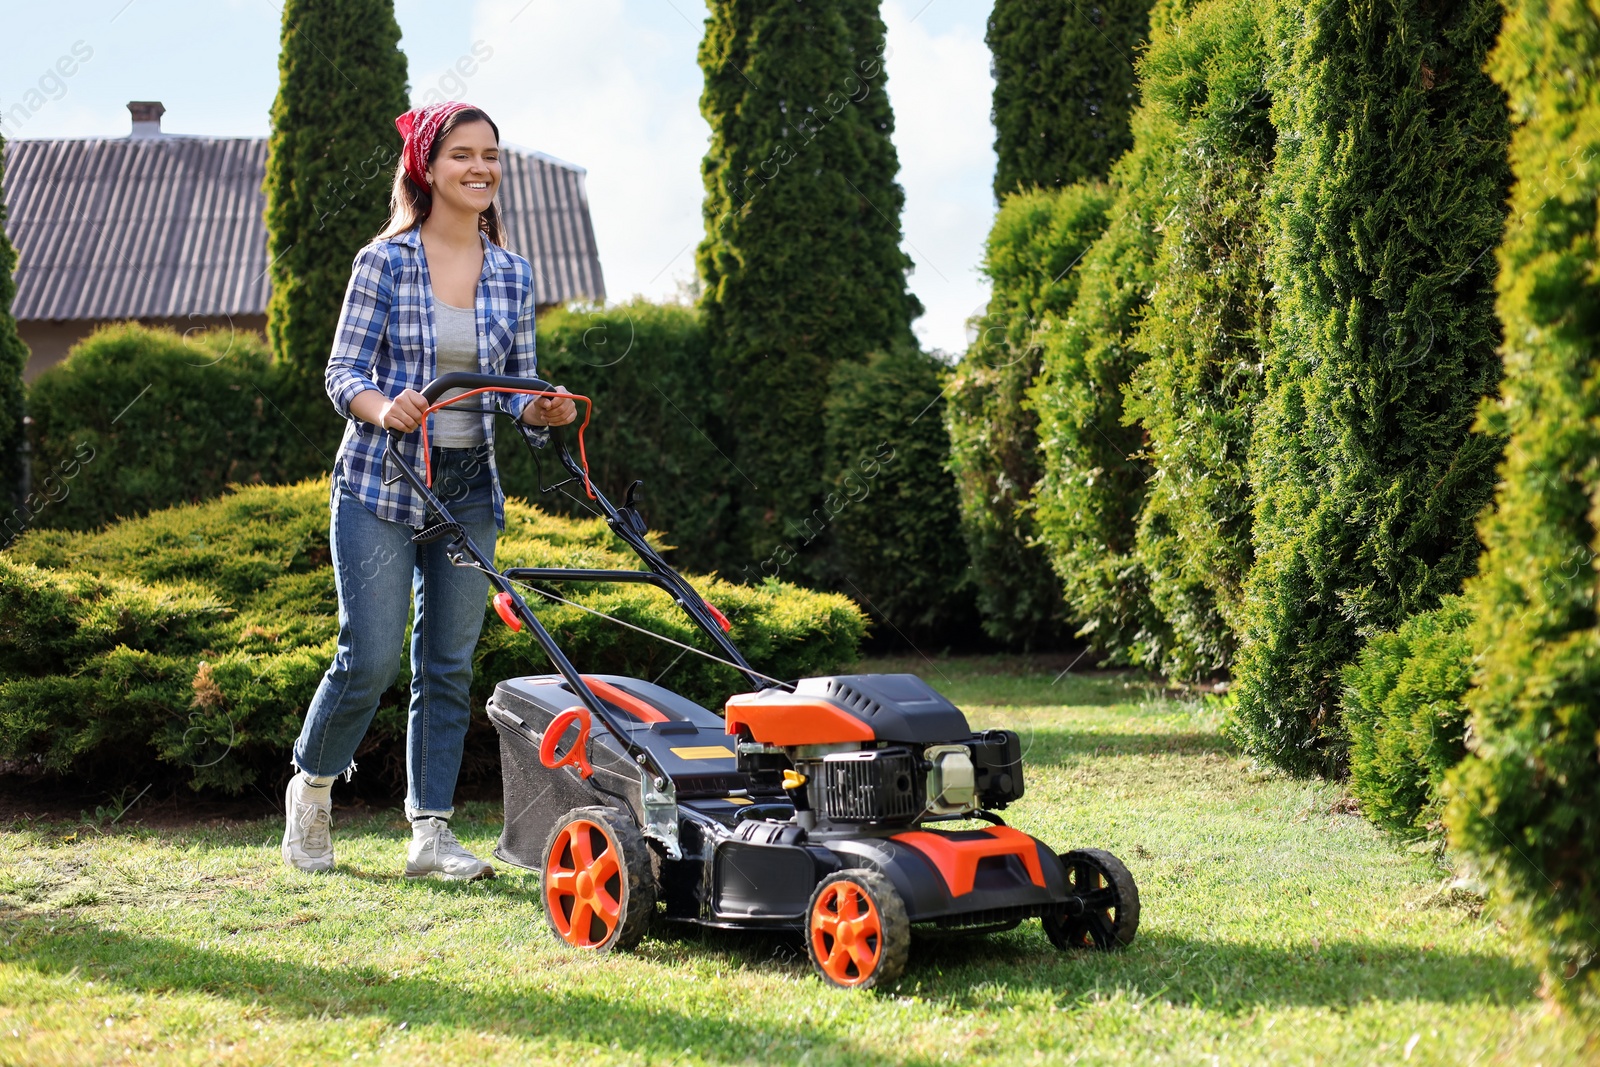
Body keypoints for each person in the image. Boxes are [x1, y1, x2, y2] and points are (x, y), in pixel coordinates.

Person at [281, 101, 577, 880]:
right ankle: (312, 788)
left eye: (492, 155)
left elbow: (511, 386)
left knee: (447, 663)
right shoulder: (383, 261)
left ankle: (431, 833)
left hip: (468, 487)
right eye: (462, 155)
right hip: (381, 480)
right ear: (427, 168)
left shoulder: (513, 273)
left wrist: (537, 406)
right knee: (369, 656)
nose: (481, 168)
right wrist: (385, 406)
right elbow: (342, 373)